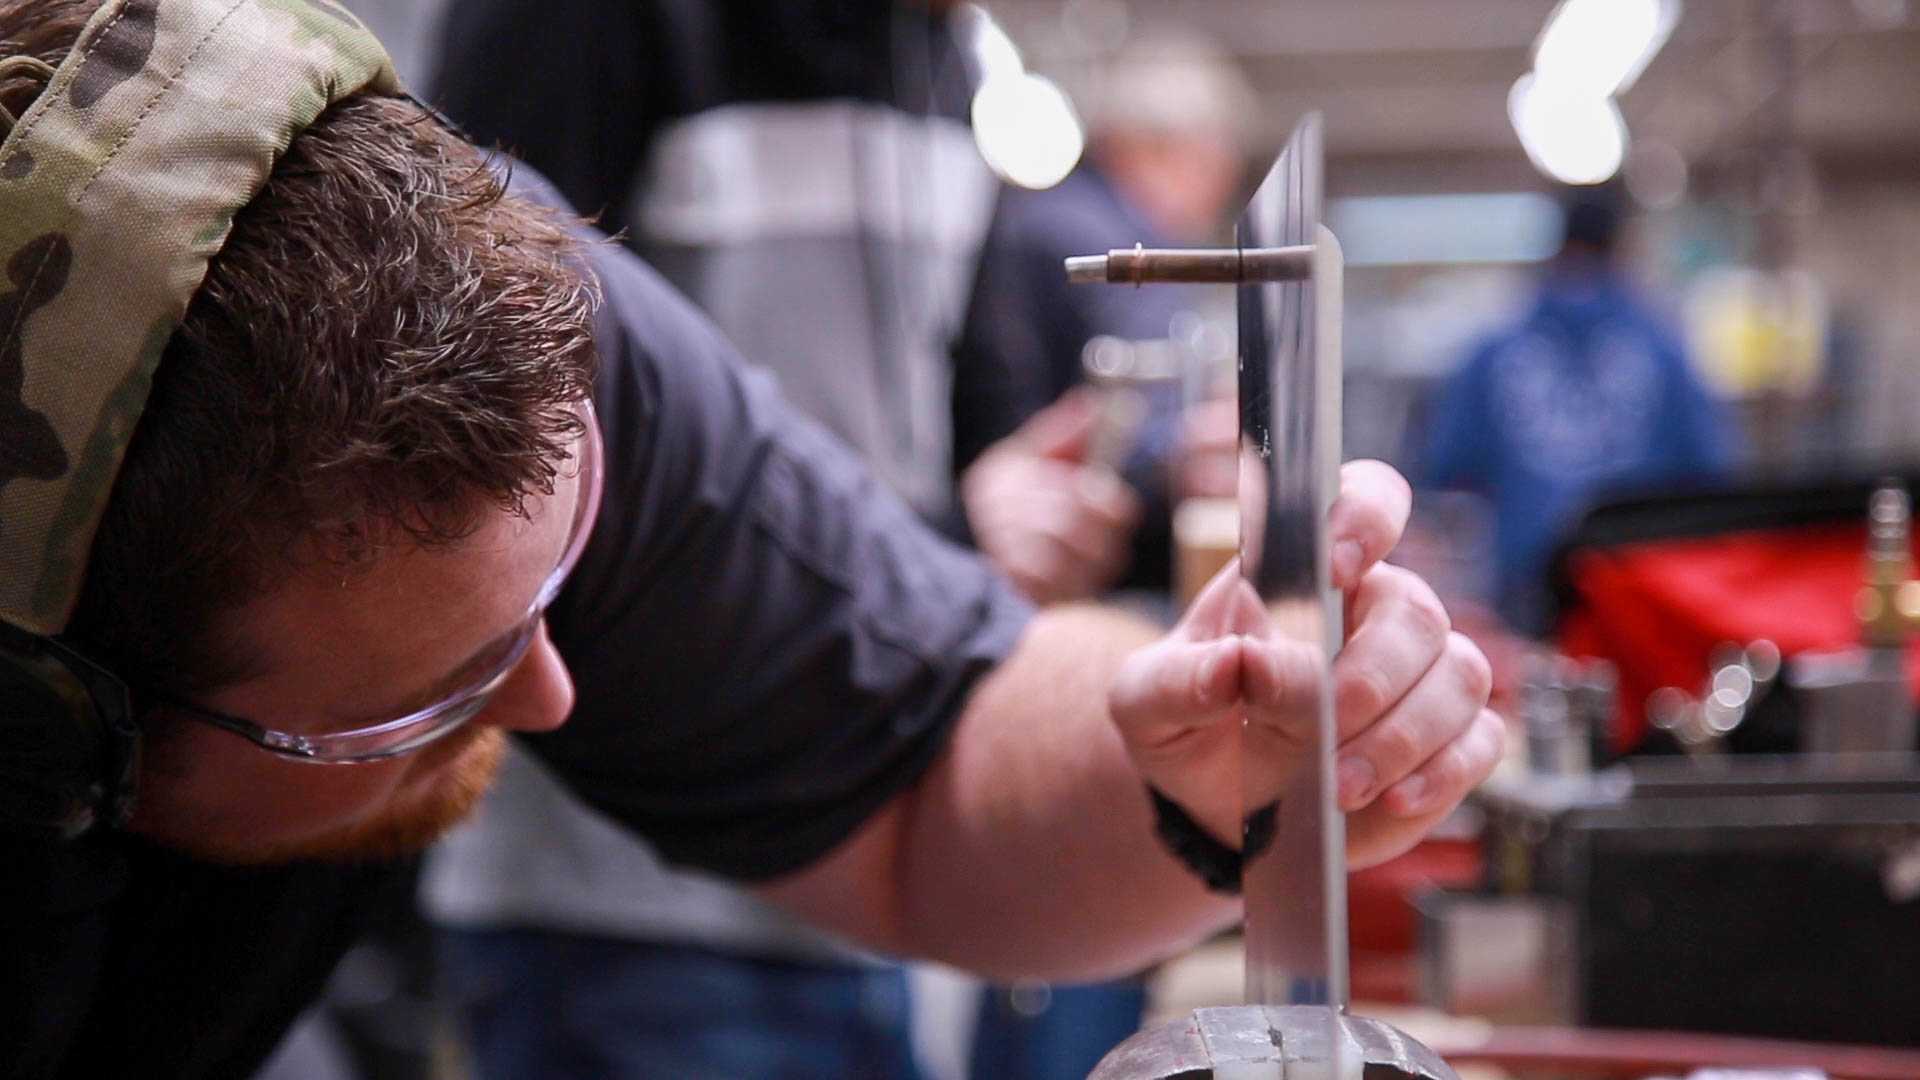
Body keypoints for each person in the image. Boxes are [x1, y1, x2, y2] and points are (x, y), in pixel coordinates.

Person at [0, 5, 1501, 1080]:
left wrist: (1199, 770)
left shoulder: (515, 315)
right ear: (55, 729)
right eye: (422, 694)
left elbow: (925, 754)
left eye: (559, 573)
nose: (547, 697)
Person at [1421, 184, 1736, 635]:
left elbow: (1445, 468)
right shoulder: (1666, 351)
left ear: (1554, 247)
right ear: (1622, 248)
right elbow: (1712, 474)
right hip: (1638, 587)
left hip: (1526, 591)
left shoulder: (1493, 352)